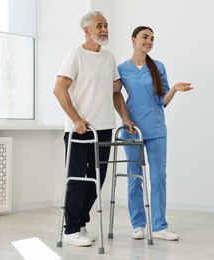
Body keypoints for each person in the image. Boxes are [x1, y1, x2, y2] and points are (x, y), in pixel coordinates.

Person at [53, 11, 134, 247]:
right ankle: (70, 230)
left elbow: (116, 92)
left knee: (98, 179)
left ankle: (80, 223)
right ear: (87, 30)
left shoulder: (109, 58)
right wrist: (76, 119)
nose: (104, 29)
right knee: (77, 180)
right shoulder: (75, 55)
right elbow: (59, 89)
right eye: (99, 26)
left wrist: (126, 118)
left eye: (106, 25)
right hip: (80, 129)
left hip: (105, 127)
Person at [118, 26, 193, 241]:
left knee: (159, 177)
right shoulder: (121, 68)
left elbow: (162, 101)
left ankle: (159, 226)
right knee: (135, 177)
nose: (149, 41)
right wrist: (126, 120)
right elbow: (116, 97)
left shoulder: (158, 67)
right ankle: (138, 224)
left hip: (156, 127)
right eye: (145, 37)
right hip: (132, 129)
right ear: (133, 39)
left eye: (152, 38)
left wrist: (174, 90)